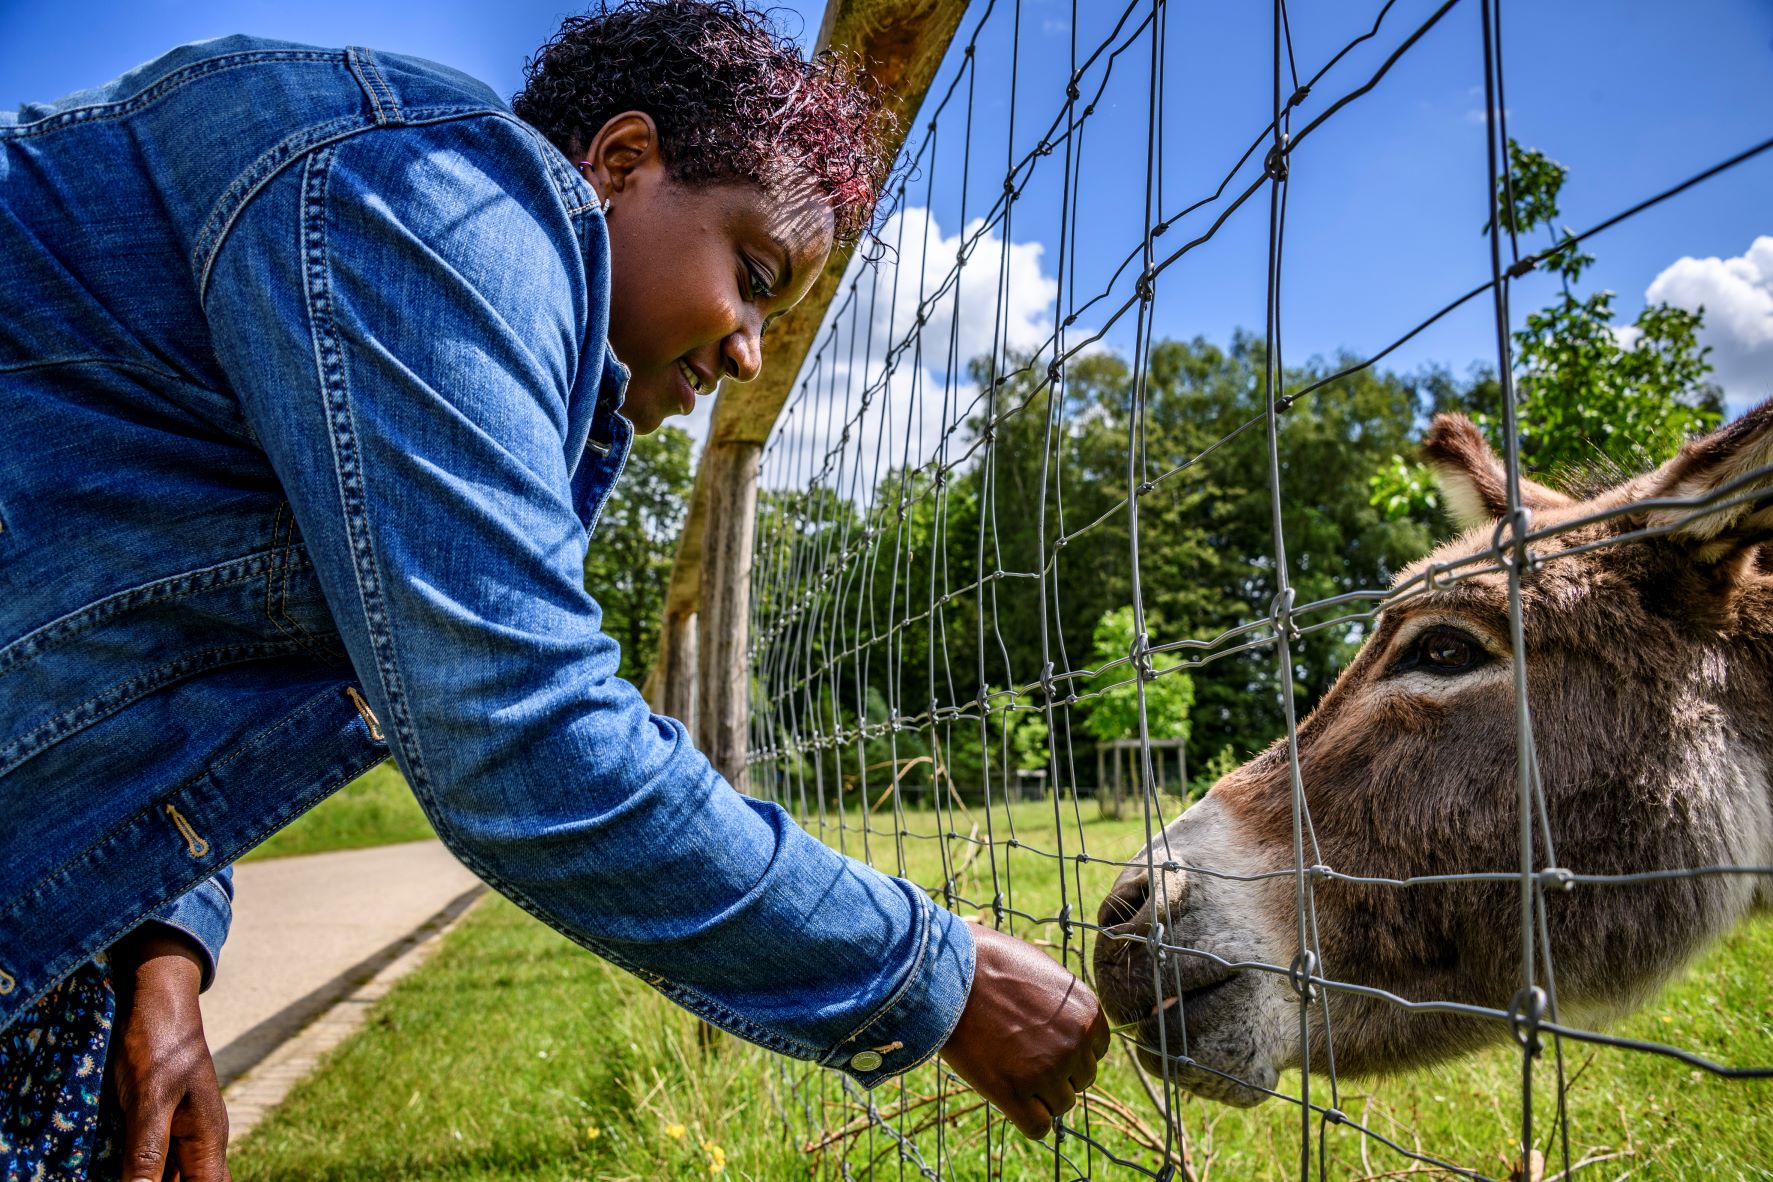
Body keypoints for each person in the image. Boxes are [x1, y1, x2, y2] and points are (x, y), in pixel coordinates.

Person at [0, 1, 1111, 1177]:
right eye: (752, 273)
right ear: (620, 161)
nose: (747, 351)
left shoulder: (404, 291)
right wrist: (934, 974)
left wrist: (160, 945)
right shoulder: (447, 198)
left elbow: (169, 639)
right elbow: (520, 728)